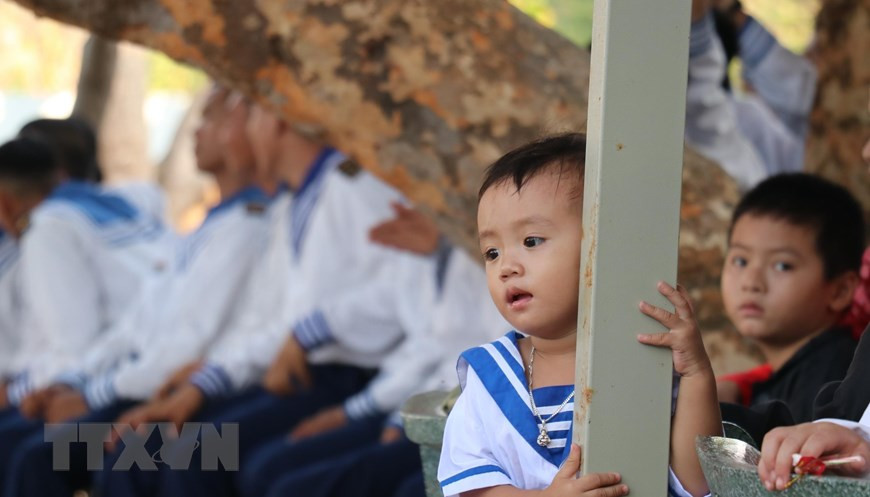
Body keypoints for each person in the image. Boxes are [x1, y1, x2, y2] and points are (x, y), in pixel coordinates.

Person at [436, 133, 721, 497]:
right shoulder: (488, 379)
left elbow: (697, 483)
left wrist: (696, 373)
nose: (506, 266)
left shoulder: (646, 360)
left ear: (604, 244)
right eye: (492, 252)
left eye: (531, 241)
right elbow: (474, 490)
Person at [0, 136, 173, 491]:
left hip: (165, 404)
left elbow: (76, 347)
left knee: (32, 454)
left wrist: (29, 393)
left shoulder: (50, 228)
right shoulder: (124, 202)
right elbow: (129, 332)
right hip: (128, 383)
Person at [717, 173, 863, 425]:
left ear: (839, 291)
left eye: (782, 266)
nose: (751, 283)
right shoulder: (783, 374)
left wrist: (707, 408)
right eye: (741, 260)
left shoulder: (833, 374)